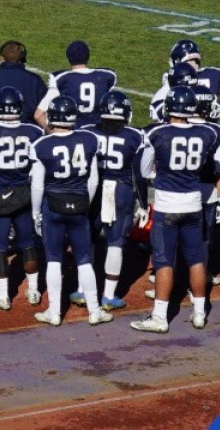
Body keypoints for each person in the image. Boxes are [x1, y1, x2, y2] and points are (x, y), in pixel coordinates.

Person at [132, 86, 220, 333]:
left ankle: (160, 317)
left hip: (167, 205)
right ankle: (200, 312)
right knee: (196, 260)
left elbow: (144, 170)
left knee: (164, 261)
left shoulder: (157, 133)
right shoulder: (207, 133)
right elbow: (208, 166)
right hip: (194, 204)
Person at [30, 98, 112, 326]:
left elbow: (37, 185)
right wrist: (86, 201)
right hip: (79, 202)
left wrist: (36, 212)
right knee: (84, 260)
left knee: (54, 259)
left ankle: (54, 312)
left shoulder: (41, 145)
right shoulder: (89, 139)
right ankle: (94, 311)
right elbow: (93, 179)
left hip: (53, 205)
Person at [0, 87, 43, 311]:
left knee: (0, 247)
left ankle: (3, 296)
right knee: (28, 243)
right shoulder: (34, 131)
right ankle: (33, 291)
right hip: (24, 192)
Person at [93, 90, 143, 309]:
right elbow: (139, 173)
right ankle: (108, 296)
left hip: (94, 189)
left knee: (87, 238)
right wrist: (142, 202)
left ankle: (81, 288)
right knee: (115, 243)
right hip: (120, 189)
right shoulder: (135, 136)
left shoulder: (88, 132)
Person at [38, 40, 115, 128]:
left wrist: (54, 133)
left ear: (68, 57)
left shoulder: (61, 79)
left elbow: (39, 115)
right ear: (88, 56)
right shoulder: (107, 76)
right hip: (99, 134)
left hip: (75, 136)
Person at [0, 41, 46, 127]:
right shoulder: (35, 81)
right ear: (23, 59)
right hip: (30, 134)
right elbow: (44, 111)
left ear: (2, 59)